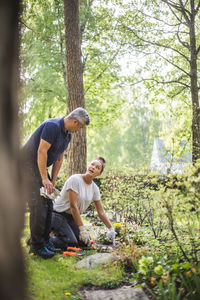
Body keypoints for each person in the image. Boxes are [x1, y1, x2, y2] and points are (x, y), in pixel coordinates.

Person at [21, 107, 90, 259]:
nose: (80, 129)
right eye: (80, 126)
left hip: (39, 168)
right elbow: (41, 152)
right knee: (38, 205)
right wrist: (44, 179)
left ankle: (44, 242)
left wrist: (52, 180)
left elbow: (59, 158)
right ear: (75, 121)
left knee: (48, 204)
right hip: (25, 167)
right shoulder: (52, 126)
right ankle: (36, 247)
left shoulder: (68, 135)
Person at [50, 157, 116, 249]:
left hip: (71, 217)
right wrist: (82, 230)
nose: (93, 167)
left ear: (99, 174)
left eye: (97, 167)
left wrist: (111, 229)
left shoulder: (94, 188)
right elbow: (73, 206)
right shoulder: (75, 179)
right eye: (92, 164)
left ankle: (56, 236)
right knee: (71, 242)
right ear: (88, 166)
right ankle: (42, 239)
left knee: (85, 242)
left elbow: (101, 212)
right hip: (57, 214)